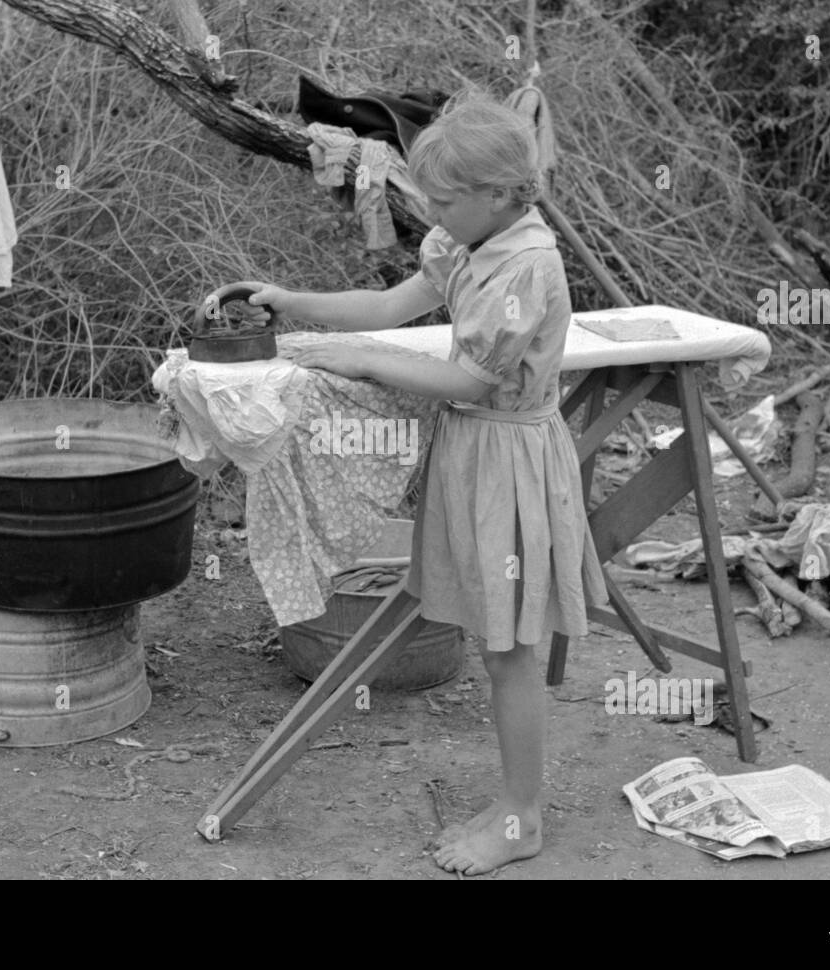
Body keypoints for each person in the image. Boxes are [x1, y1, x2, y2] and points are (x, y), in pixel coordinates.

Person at [243, 93, 607, 875]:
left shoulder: (525, 267)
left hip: (509, 459)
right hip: (473, 453)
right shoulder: (472, 239)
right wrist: (290, 302)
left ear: (504, 193)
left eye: (445, 201)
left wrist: (367, 359)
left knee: (509, 646)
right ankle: (516, 798)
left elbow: (471, 379)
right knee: (492, 634)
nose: (433, 214)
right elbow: (389, 304)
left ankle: (522, 816)